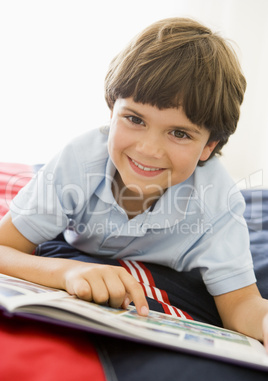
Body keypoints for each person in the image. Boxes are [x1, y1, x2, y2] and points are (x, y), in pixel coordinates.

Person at [1, 17, 268, 348]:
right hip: (73, 225)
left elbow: (242, 305)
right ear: (112, 110)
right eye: (135, 119)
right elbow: (3, 248)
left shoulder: (217, 202)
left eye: (180, 133)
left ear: (209, 147)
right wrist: (65, 272)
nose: (148, 150)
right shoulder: (80, 162)